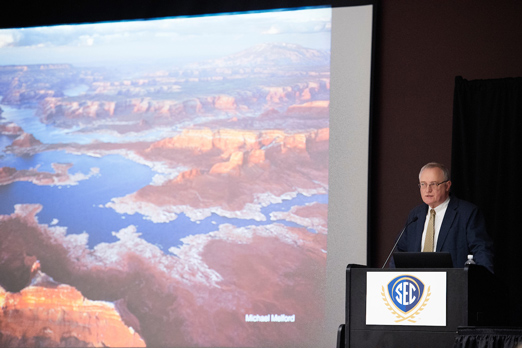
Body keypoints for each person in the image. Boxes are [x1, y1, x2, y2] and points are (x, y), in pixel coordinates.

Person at [393, 162, 494, 273]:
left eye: (433, 184)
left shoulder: (467, 213)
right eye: (423, 184)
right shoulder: (415, 215)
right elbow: (399, 252)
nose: (427, 190)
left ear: (447, 185)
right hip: (419, 286)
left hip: (453, 285)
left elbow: (481, 251)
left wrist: (484, 282)